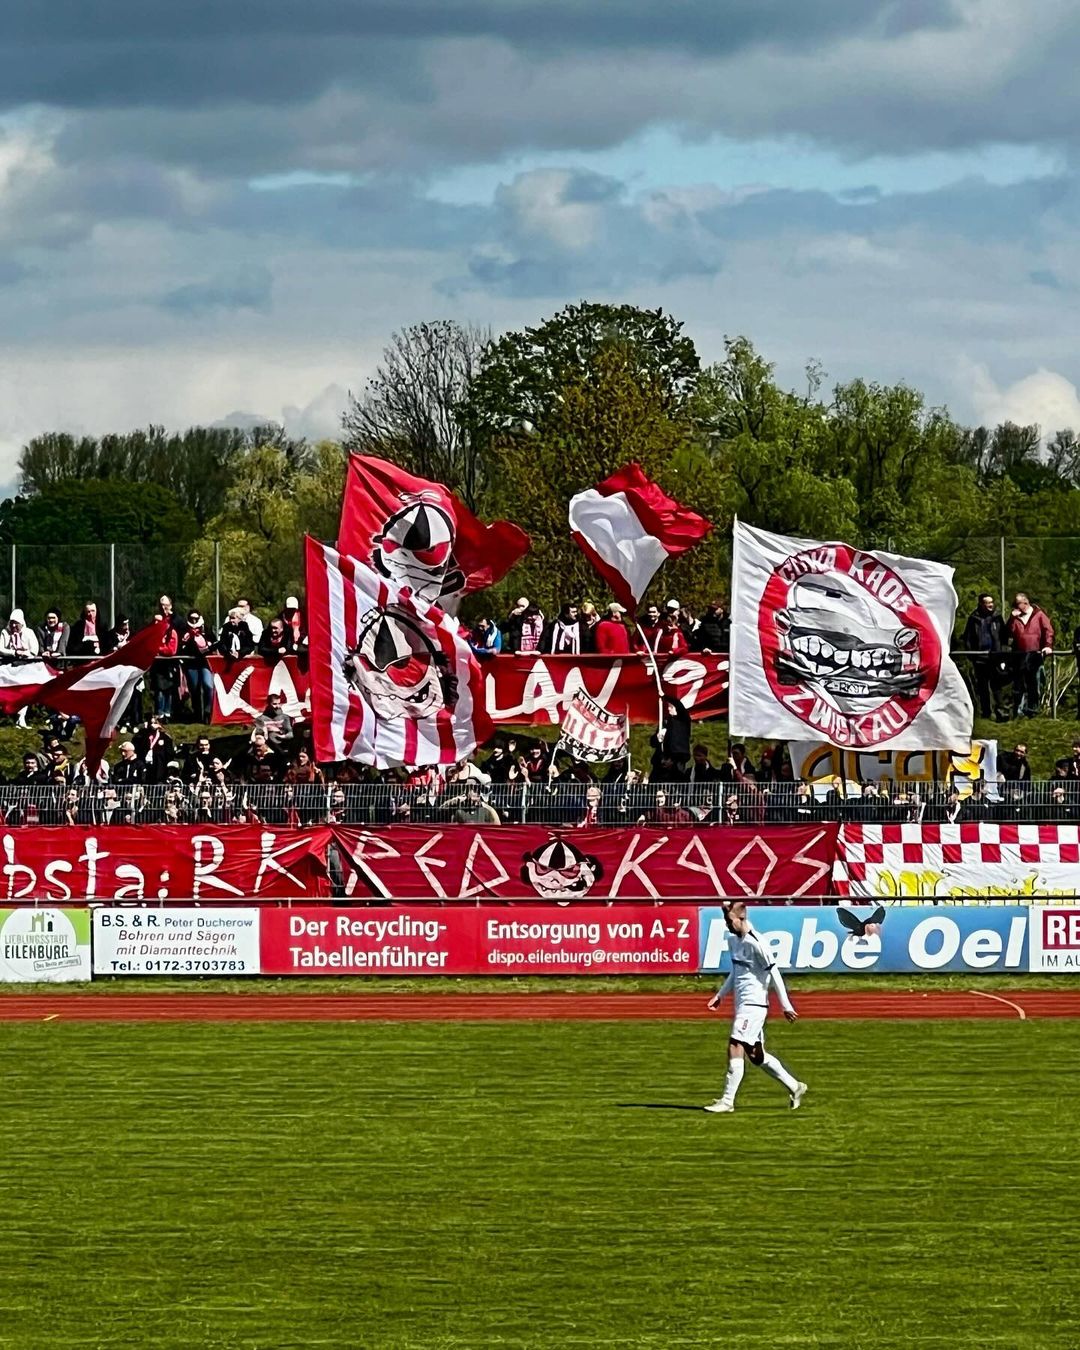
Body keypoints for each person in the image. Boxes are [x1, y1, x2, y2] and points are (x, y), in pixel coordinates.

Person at [704, 900, 807, 1114]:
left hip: (754, 1005)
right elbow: (737, 972)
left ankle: (727, 1101)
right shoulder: (734, 941)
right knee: (755, 1055)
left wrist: (786, 1005)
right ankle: (795, 1087)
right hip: (742, 1005)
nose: (726, 925)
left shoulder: (757, 942)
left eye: (729, 920)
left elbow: (774, 973)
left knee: (735, 1046)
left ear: (741, 918)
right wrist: (720, 995)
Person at [963, 593, 1010, 721]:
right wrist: (971, 655)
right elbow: (967, 638)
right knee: (983, 687)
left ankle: (1001, 711)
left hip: (995, 657)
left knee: (997, 685)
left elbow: (1004, 636)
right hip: (979, 658)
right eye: (987, 602)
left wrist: (1002, 653)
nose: (990, 605)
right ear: (981, 604)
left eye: (991, 602)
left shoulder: (997, 618)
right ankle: (986, 713)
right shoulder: (973, 619)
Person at [1006, 592, 1053, 718]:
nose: (1015, 607)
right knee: (1019, 684)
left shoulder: (1039, 615)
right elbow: (1008, 634)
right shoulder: (1015, 618)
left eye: (1017, 604)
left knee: (1034, 684)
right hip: (1019, 655)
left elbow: (1048, 630)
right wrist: (1011, 618)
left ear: (1025, 603)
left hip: (1035, 654)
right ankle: (1018, 712)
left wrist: (1048, 645)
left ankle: (1033, 711)